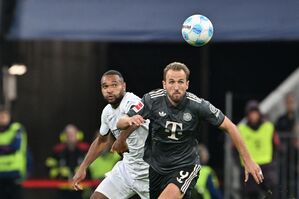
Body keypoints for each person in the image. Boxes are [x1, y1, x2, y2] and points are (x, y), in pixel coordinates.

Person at [116, 62, 264, 199]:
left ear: (187, 84)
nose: (176, 87)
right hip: (157, 168)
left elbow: (230, 126)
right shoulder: (151, 100)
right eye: (171, 82)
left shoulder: (197, 105)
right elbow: (120, 122)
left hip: (185, 165)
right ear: (164, 84)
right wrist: (129, 120)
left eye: (180, 82)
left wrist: (248, 160)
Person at [72, 70, 149, 199]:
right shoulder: (107, 112)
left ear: (123, 86)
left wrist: (121, 139)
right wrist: (83, 167)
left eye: (114, 85)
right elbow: (102, 141)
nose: (109, 90)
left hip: (150, 172)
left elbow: (137, 120)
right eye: (105, 86)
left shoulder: (132, 101)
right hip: (127, 170)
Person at [238, 100, 279, 199]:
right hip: (249, 168)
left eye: (255, 113)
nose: (253, 116)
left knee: (271, 193)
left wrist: (273, 162)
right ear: (247, 115)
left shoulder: (269, 127)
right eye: (251, 113)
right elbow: (234, 149)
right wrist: (241, 164)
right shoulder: (241, 129)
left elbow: (277, 146)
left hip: (267, 168)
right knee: (251, 195)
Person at [45, 124, 90, 199]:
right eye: (68, 134)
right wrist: (60, 172)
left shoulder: (85, 150)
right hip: (63, 190)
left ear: (78, 135)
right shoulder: (57, 151)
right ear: (64, 136)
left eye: (73, 133)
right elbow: (49, 167)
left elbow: (92, 167)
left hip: (81, 189)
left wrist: (83, 170)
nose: (70, 136)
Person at [0, 107, 28, 199]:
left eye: (4, 116)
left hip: (14, 173)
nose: (2, 118)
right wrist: (6, 147)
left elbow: (15, 147)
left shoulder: (16, 129)